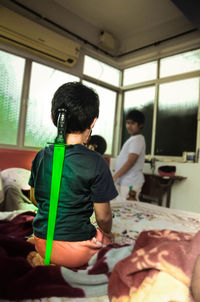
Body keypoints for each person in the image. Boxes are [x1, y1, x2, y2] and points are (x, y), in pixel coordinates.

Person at [29, 82, 118, 268]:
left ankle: (46, 258)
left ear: (54, 117)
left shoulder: (41, 156)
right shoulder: (96, 162)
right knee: (110, 243)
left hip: (41, 242)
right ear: (93, 122)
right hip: (75, 252)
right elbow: (103, 217)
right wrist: (107, 232)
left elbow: (34, 198)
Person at [113, 109, 146, 201]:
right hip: (126, 181)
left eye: (132, 123)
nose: (129, 126)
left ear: (141, 125)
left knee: (130, 209)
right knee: (125, 209)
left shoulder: (137, 139)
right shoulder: (133, 139)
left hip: (131, 181)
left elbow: (131, 161)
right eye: (127, 123)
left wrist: (116, 176)